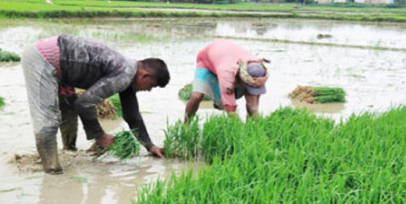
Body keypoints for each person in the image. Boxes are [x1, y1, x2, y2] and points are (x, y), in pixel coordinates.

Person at [22, 34, 170, 174]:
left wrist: (150, 146)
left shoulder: (129, 76)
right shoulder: (125, 73)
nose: (149, 90)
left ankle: (69, 151)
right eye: (152, 86)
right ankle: (51, 170)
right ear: (145, 75)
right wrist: (100, 136)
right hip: (44, 58)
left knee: (68, 108)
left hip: (63, 66)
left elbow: (132, 116)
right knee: (47, 120)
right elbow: (84, 104)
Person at [184, 39, 269, 121]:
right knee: (196, 96)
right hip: (207, 61)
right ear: (241, 78)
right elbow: (231, 111)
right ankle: (186, 126)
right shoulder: (226, 73)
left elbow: (253, 108)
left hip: (226, 54)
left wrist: (257, 128)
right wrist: (243, 131)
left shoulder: (257, 69)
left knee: (251, 99)